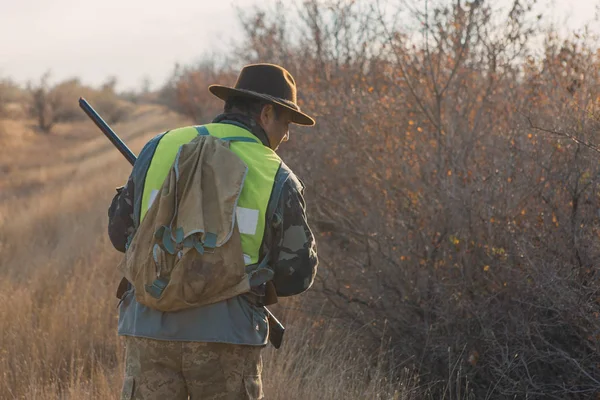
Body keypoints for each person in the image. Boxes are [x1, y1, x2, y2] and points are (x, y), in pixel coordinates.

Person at [107, 63, 318, 400]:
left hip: (148, 328)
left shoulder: (159, 146)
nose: (287, 134)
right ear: (266, 113)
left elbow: (120, 236)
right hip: (228, 337)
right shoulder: (276, 174)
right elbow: (297, 274)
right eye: (286, 122)